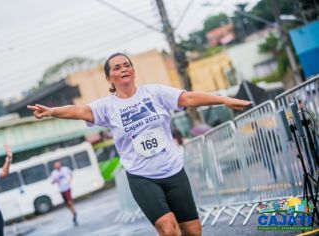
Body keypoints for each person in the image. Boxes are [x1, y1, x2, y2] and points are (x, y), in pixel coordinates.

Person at [27, 52, 251, 236]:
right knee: (168, 228)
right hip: (142, 177)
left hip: (173, 170)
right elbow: (78, 110)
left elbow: (189, 98)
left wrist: (223, 99)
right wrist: (52, 111)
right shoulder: (107, 106)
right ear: (109, 78)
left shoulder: (155, 92)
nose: (123, 69)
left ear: (133, 71)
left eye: (127, 65)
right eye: (116, 67)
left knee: (193, 231)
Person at [50, 161, 78, 226]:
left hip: (67, 188)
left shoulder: (65, 169)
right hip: (61, 189)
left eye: (58, 166)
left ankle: (74, 213)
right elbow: (52, 182)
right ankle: (73, 213)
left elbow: (71, 174)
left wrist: (69, 180)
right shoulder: (54, 173)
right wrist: (55, 180)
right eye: (56, 166)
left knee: (69, 202)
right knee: (67, 204)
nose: (58, 167)